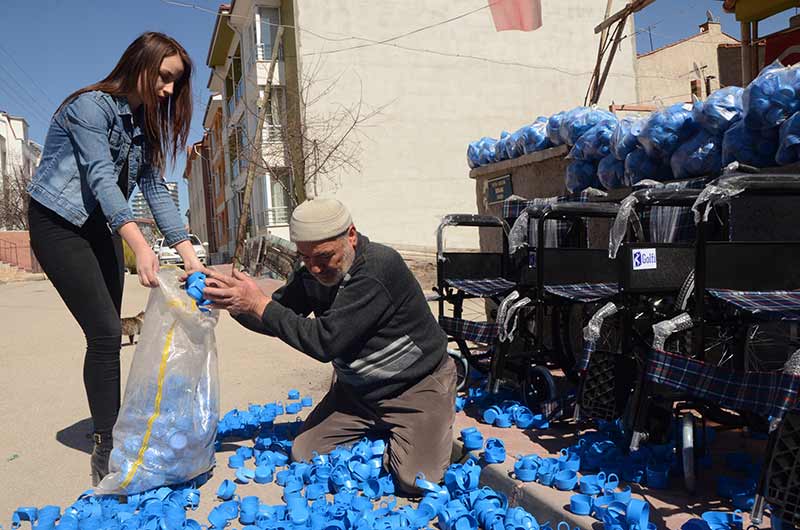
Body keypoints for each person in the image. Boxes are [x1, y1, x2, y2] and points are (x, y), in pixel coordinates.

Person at [27, 32, 203, 485]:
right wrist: (140, 245)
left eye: (175, 84)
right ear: (140, 62)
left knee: (107, 335)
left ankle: (113, 420)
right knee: (105, 331)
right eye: (165, 78)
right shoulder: (89, 107)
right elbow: (102, 178)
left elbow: (154, 189)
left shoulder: (143, 125)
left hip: (98, 226)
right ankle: (106, 442)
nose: (168, 91)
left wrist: (188, 252)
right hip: (58, 222)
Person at [203, 198, 456, 494]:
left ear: (350, 235)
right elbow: (275, 316)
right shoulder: (312, 272)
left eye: (324, 257)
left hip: (415, 387)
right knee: (304, 453)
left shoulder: (377, 268)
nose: (315, 268)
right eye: (305, 258)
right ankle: (387, 430)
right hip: (358, 394)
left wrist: (258, 303)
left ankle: (419, 426)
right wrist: (231, 301)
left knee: (415, 481)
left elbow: (325, 342)